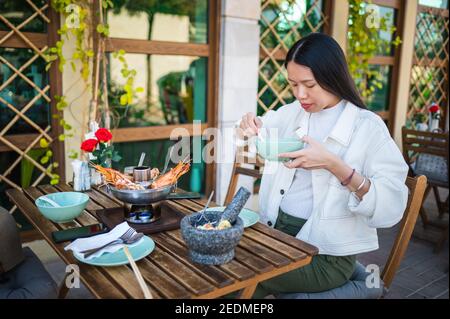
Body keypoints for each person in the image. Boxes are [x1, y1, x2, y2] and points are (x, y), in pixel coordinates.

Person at [237, 33, 409, 298]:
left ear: (333, 77)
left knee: (241, 281)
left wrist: (335, 166)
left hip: (327, 255)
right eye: (293, 84)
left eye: (309, 84)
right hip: (275, 234)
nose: (300, 94)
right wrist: (248, 127)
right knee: (219, 261)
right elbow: (256, 137)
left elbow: (392, 206)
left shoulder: (367, 127)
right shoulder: (292, 112)